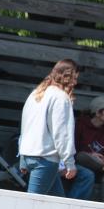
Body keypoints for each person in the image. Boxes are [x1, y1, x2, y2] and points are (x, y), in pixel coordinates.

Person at [18, 59, 95, 199]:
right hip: (45, 160)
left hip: (29, 155)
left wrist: (23, 157)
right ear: (67, 77)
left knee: (58, 204)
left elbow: (25, 127)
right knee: (30, 205)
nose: (75, 83)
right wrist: (69, 163)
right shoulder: (61, 98)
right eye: (75, 78)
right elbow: (62, 134)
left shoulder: (36, 93)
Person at [75, 95, 104, 203]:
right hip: (80, 164)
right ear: (98, 113)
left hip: (100, 167)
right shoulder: (80, 125)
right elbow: (75, 151)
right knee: (82, 156)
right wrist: (91, 155)